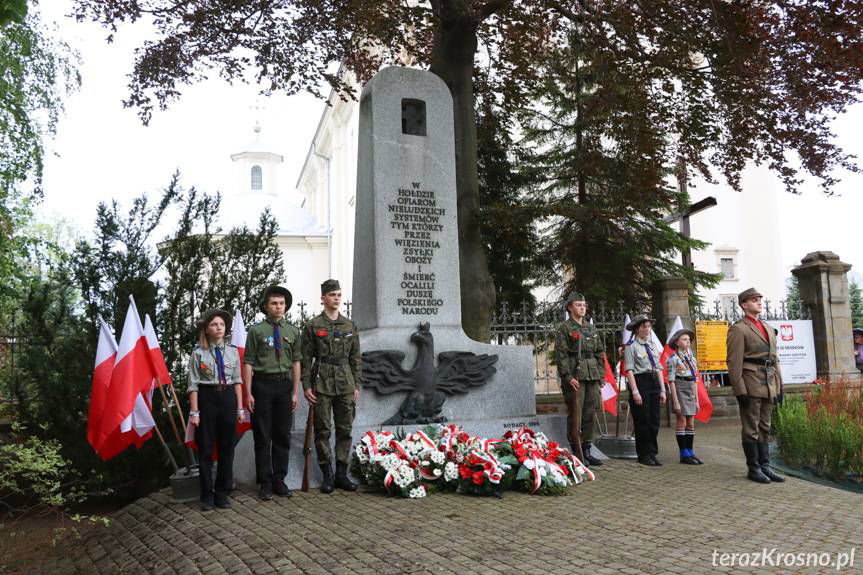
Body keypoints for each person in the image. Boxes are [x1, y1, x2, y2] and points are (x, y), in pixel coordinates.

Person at [301, 279, 361, 494]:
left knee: (345, 429)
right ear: (323, 298)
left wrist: (356, 384)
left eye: (338, 294)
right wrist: (306, 385)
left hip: (345, 382)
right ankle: (327, 474)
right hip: (322, 382)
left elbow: (356, 357)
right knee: (323, 429)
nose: (336, 298)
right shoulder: (313, 325)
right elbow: (305, 358)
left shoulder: (349, 325)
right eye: (332, 295)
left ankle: (342, 474)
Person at [243, 285, 302, 501]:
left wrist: (295, 392)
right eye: (274, 304)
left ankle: (279, 479)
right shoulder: (256, 331)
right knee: (262, 435)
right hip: (262, 386)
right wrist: (248, 393)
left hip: (284, 387)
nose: (278, 307)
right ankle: (265, 482)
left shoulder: (293, 332)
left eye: (281, 304)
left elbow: (296, 363)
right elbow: (248, 363)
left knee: (282, 434)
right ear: (266, 307)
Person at [726, 287, 785, 484]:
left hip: (768, 382)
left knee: (765, 426)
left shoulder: (767, 328)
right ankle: (754, 468)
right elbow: (734, 363)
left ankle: (765, 466)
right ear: (744, 305)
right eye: (754, 300)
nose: (759, 302)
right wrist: (740, 390)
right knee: (751, 427)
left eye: (760, 299)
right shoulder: (738, 329)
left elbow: (775, 360)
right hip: (750, 382)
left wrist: (780, 386)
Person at [188, 308, 244, 511]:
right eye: (214, 324)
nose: (219, 328)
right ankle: (206, 495)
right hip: (207, 398)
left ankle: (222, 492)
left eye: (221, 324)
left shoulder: (232, 352)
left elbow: (237, 381)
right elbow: (193, 384)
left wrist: (239, 408)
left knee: (227, 448)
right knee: (205, 448)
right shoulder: (198, 353)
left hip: (228, 397)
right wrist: (195, 412)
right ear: (207, 329)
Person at [553, 292, 605, 466]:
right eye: (578, 305)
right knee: (577, 414)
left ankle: (587, 449)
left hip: (591, 376)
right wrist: (567, 377)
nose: (582, 308)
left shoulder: (591, 328)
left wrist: (601, 375)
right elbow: (561, 355)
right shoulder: (565, 328)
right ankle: (576, 451)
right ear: (570, 307)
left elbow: (599, 353)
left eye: (584, 305)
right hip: (576, 377)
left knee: (590, 412)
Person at [623, 315, 666, 466]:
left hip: (654, 381)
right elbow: (629, 370)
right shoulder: (631, 346)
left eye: (648, 326)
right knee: (643, 420)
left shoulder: (652, 345)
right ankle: (644, 454)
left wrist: (662, 389)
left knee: (654, 420)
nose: (647, 329)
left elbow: (659, 368)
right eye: (644, 327)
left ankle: (652, 453)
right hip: (640, 382)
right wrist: (635, 391)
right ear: (636, 329)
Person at [665, 329, 704, 465]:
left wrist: (697, 400)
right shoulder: (673, 359)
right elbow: (671, 381)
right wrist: (675, 401)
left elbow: (695, 380)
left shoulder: (692, 359)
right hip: (679, 388)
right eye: (684, 339)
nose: (687, 342)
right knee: (681, 421)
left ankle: (691, 451)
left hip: (690, 390)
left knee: (691, 423)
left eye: (688, 340)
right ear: (676, 342)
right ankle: (683, 454)